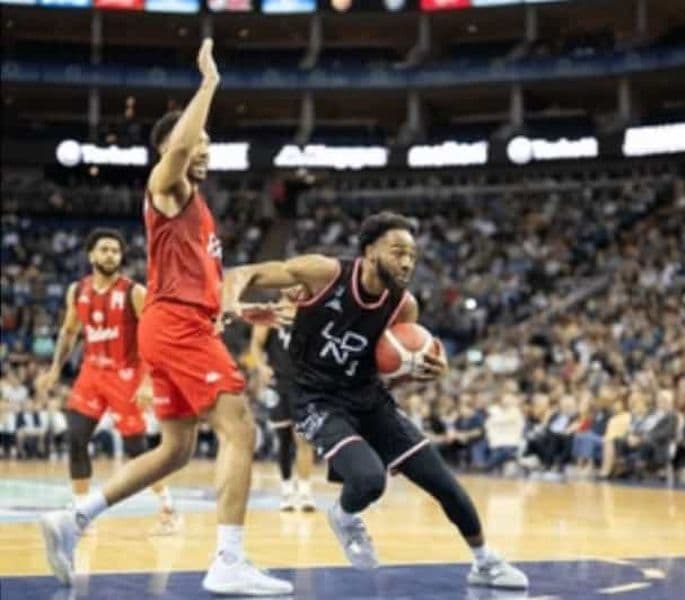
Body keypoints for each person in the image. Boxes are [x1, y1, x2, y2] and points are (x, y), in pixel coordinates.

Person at [39, 39, 292, 596]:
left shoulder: (200, 212)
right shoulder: (166, 188)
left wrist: (244, 306)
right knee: (240, 429)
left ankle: (73, 519)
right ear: (172, 148)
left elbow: (198, 283)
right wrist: (208, 86)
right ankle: (229, 558)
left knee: (176, 449)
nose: (204, 148)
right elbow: (174, 155)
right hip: (175, 325)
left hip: (179, 322)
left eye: (207, 141)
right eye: (197, 140)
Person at [224, 211, 528, 590]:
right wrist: (230, 303)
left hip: (368, 397)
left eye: (413, 256)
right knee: (370, 479)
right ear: (369, 252)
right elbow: (242, 273)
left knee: (444, 483)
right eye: (398, 251)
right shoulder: (324, 273)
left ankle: (485, 562)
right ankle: (346, 516)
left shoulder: (404, 307)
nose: (406, 262)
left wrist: (426, 369)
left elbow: (393, 369)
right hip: (315, 398)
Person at [36, 229, 178, 535]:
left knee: (137, 451)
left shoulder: (134, 292)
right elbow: (68, 331)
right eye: (104, 250)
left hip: (126, 377)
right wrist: (55, 368)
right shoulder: (77, 290)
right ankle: (81, 513)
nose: (111, 255)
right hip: (91, 374)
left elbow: (153, 338)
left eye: (115, 250)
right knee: (76, 438)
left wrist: (148, 383)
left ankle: (167, 505)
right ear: (91, 255)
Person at [250, 289, 316, 511]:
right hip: (278, 382)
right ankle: (287, 490)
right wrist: (261, 366)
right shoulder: (271, 314)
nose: (297, 288)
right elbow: (256, 346)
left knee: (304, 437)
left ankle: (305, 492)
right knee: (284, 439)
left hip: (303, 384)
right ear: (282, 287)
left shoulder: (309, 313)